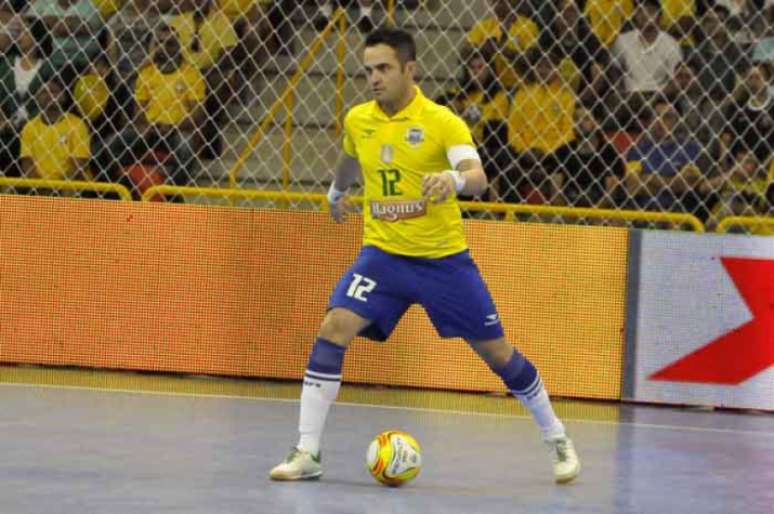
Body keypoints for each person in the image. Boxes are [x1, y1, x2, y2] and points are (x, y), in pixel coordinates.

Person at [268, 27, 580, 484]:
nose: (374, 78)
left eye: (384, 69)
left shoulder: (442, 121)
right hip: (383, 257)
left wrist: (452, 181)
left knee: (498, 353)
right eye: (368, 70)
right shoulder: (359, 119)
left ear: (409, 69)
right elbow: (352, 156)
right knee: (334, 326)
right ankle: (307, 452)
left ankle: (556, 438)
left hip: (443, 263)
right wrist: (337, 190)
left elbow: (477, 176)